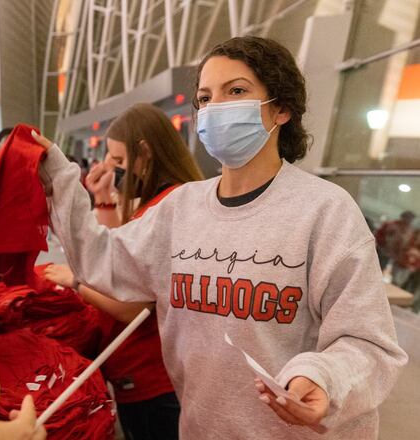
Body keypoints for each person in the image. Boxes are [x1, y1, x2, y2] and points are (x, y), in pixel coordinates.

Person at [34, 36, 406, 439]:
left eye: (237, 91)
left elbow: (370, 343)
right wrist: (58, 177)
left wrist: (322, 376)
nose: (215, 108)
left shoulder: (325, 211)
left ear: (281, 109)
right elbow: (100, 260)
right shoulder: (181, 209)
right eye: (205, 98)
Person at [45, 103, 203, 440]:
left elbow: (132, 301)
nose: (114, 170)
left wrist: (76, 281)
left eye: (118, 161)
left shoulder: (169, 206)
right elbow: (120, 256)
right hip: (141, 371)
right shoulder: (161, 200)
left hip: (152, 374)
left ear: (144, 152)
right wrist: (103, 199)